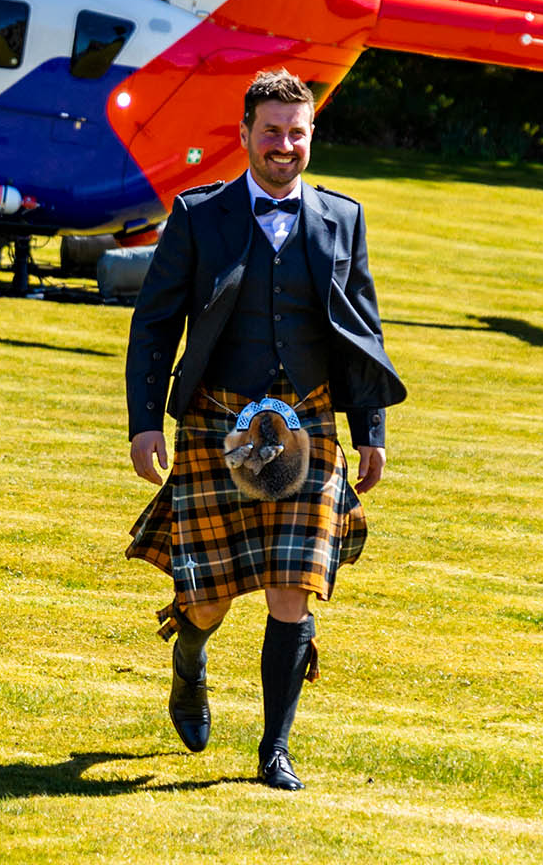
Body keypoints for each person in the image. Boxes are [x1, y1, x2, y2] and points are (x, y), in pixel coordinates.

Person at [123, 68, 406, 790]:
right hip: (216, 423)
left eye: (296, 132)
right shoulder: (198, 214)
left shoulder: (343, 219)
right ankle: (190, 657)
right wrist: (143, 423)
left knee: (294, 587)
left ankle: (273, 751)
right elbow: (155, 324)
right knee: (212, 595)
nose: (284, 145)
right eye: (271, 131)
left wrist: (369, 428)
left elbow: (361, 328)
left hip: (309, 424)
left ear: (311, 136)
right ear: (245, 133)